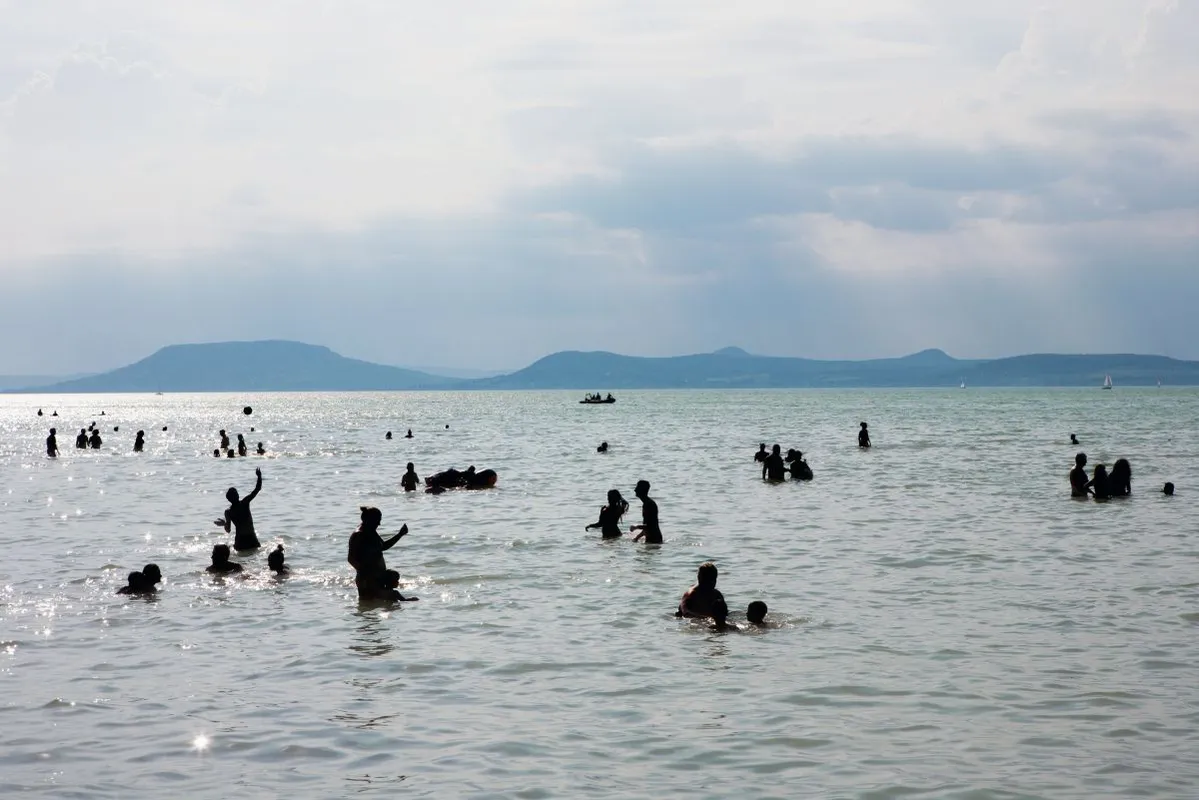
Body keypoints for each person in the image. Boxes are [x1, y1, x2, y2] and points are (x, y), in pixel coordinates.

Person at [347, 507, 411, 601]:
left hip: (377, 578)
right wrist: (367, 575)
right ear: (368, 520)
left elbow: (383, 546)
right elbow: (351, 559)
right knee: (368, 609)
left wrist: (400, 535)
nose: (379, 524)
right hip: (367, 580)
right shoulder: (359, 535)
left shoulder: (371, 531)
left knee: (382, 605)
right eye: (377, 520)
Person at [214, 467, 264, 550]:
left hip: (240, 541)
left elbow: (228, 530)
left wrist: (224, 524)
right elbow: (257, 489)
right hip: (251, 538)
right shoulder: (245, 502)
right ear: (237, 495)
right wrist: (259, 476)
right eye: (236, 493)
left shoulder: (229, 512)